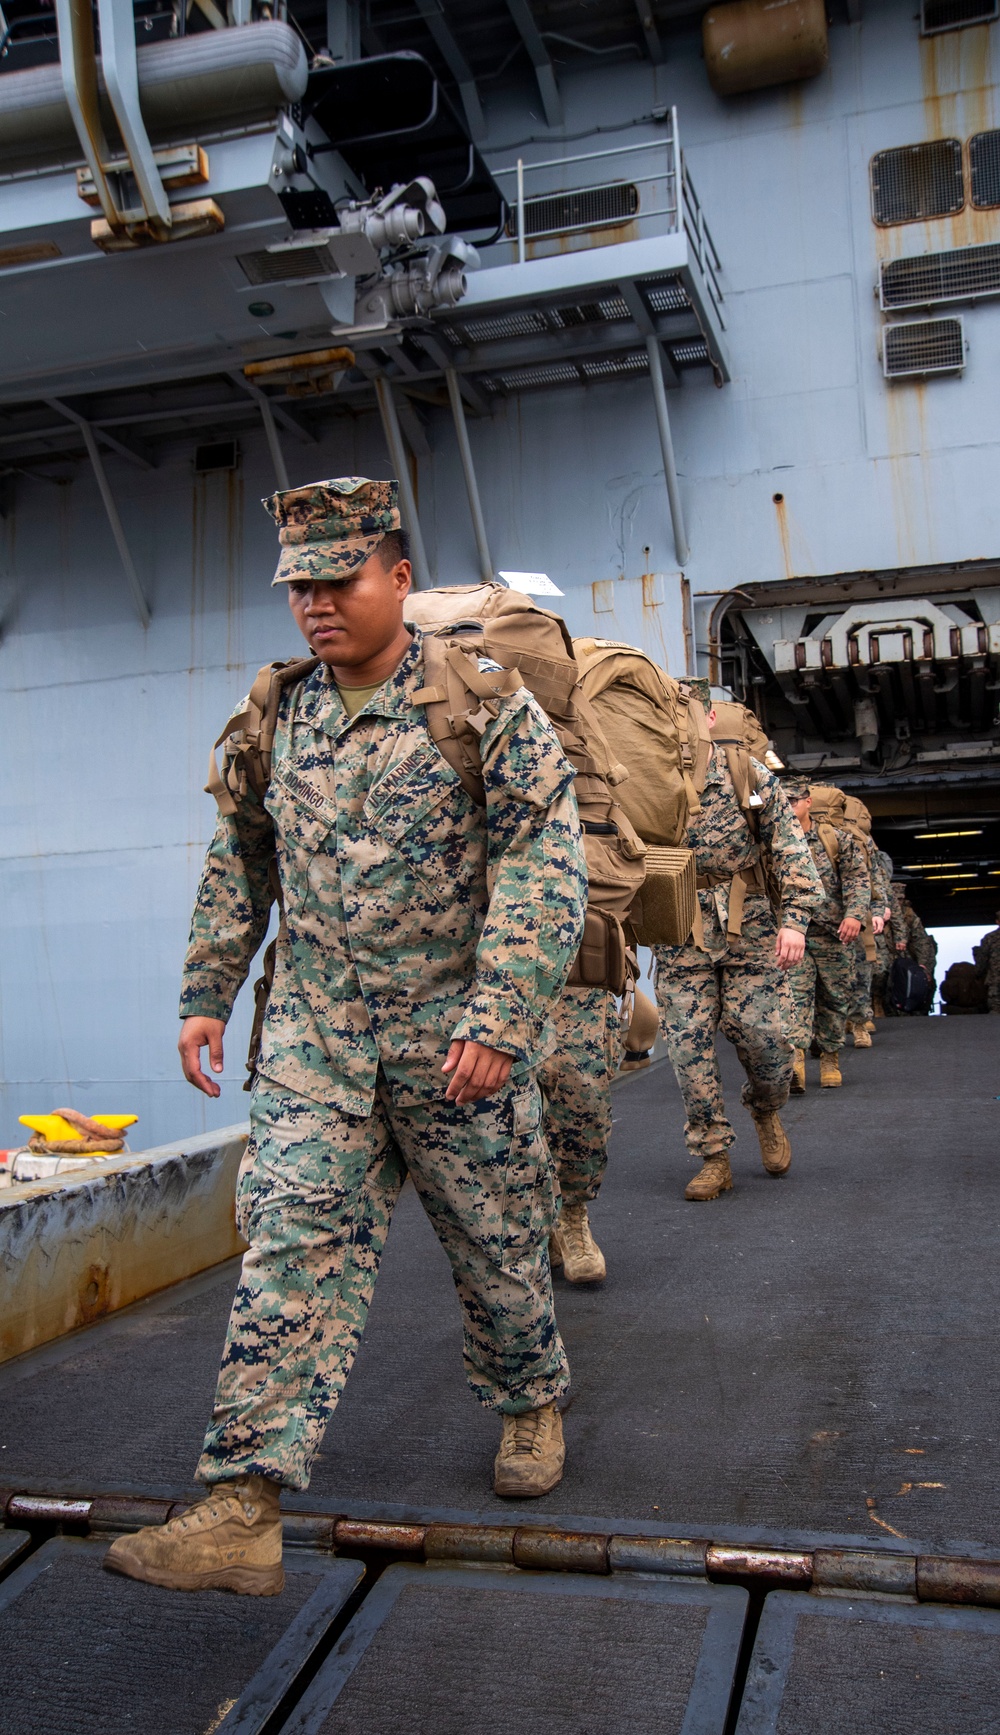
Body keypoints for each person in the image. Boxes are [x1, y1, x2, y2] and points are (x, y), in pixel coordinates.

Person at [105, 477, 589, 1598]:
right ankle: (241, 1504)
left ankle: (530, 1402)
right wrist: (206, 990)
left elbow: (543, 861)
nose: (316, 603)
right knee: (286, 1247)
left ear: (397, 578)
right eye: (299, 586)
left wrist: (501, 1013)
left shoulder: (483, 705)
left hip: (456, 1046)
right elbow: (240, 859)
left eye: (338, 579)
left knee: (499, 1247)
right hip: (317, 1044)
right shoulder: (276, 715)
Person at [652, 701, 823, 1201]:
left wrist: (794, 921)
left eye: (691, 711)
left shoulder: (746, 773)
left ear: (708, 718)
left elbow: (789, 848)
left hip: (750, 926)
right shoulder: (649, 778)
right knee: (688, 1047)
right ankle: (714, 1157)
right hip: (679, 929)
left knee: (765, 1042)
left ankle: (765, 1108)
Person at [784, 783, 871, 1088]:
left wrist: (854, 915)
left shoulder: (835, 839)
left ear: (808, 802)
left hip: (833, 933)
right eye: (784, 801)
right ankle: (795, 1062)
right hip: (793, 932)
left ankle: (830, 1057)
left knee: (834, 997)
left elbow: (857, 878)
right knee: (794, 996)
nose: (788, 806)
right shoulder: (776, 840)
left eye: (794, 800)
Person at [975, 912, 1000, 1013]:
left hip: (996, 983)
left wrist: (978, 973)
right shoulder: (990, 938)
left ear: (997, 921)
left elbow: (982, 960)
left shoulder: (990, 938)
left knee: (996, 1013)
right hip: (996, 983)